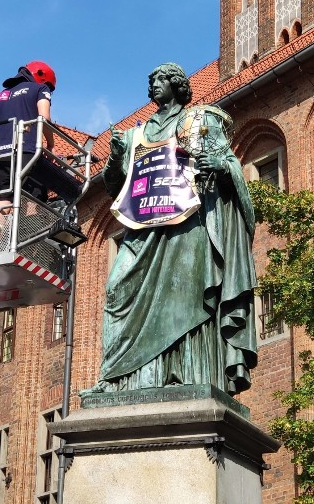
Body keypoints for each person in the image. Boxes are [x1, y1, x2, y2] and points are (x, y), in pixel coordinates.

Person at [86, 62, 258, 396]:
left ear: (176, 85)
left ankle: (184, 373)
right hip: (143, 230)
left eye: (159, 80)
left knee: (186, 298)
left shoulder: (198, 121)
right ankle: (119, 377)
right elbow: (115, 186)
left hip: (186, 227)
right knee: (116, 289)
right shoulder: (136, 134)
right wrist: (115, 158)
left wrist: (222, 167)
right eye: (150, 81)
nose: (152, 86)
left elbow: (227, 162)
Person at [0, 61, 56, 204]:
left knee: (2, 203)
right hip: (27, 152)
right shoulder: (41, 89)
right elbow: (44, 118)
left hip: (2, 157)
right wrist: (51, 144)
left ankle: (1, 226)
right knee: (32, 200)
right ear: (42, 77)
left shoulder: (0, 96)